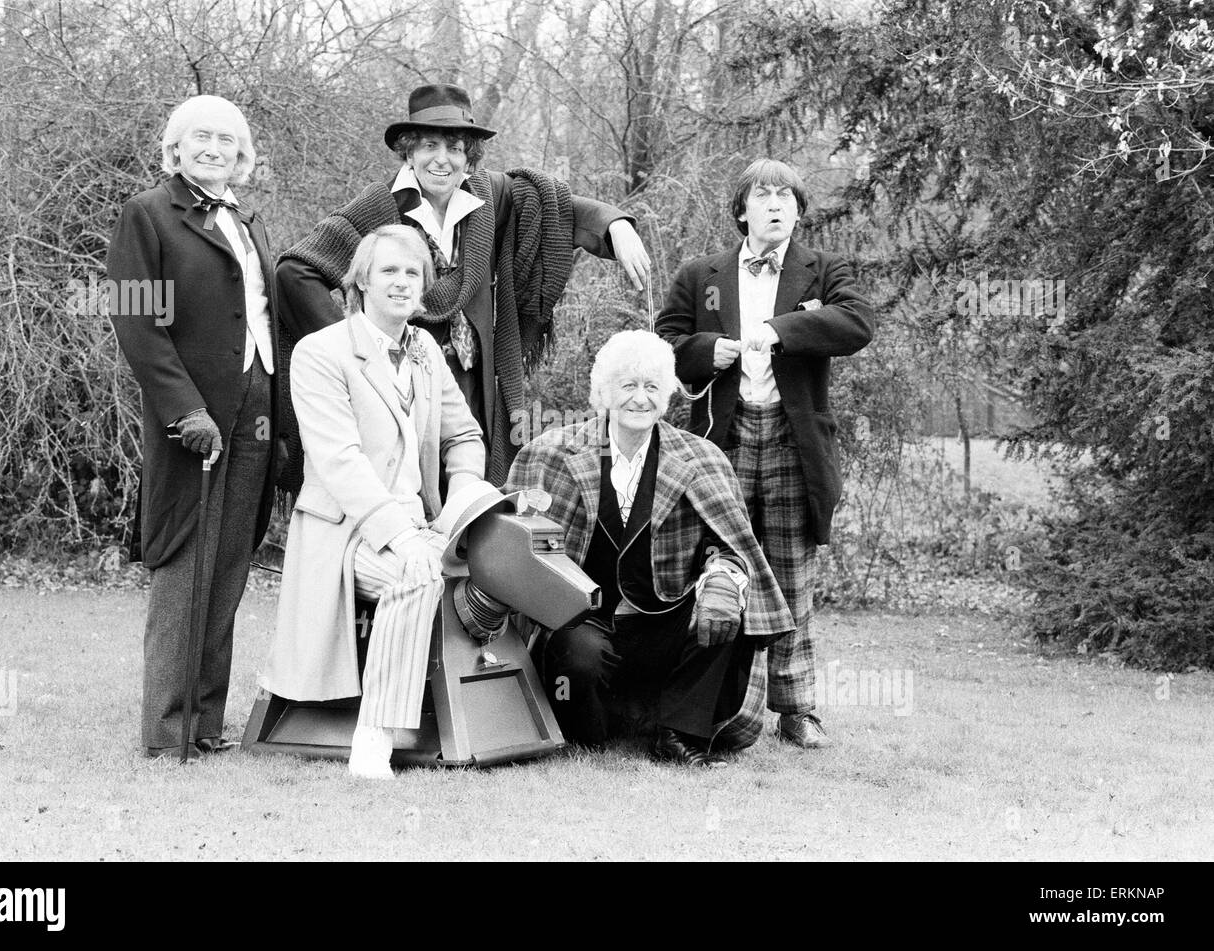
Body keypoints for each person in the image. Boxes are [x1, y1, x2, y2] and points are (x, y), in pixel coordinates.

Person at [276, 82, 651, 485]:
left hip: (473, 384)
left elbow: (556, 208)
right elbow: (295, 273)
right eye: (430, 146)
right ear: (409, 151)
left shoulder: (489, 197)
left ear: (468, 156)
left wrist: (615, 224)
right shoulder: (380, 207)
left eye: (454, 148)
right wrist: (355, 351)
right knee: (404, 489)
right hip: (401, 384)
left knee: (469, 487)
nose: (443, 160)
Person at [655, 158, 874, 749]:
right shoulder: (700, 272)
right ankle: (716, 709)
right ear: (742, 209)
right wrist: (707, 350)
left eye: (788, 197)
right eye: (765, 195)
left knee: (790, 573)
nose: (778, 205)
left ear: (799, 211)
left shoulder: (824, 269)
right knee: (718, 571)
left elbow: (857, 323)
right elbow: (665, 342)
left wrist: (780, 331)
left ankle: (797, 709)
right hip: (718, 445)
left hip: (791, 441)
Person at [502, 331, 795, 766]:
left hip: (665, 623)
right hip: (585, 622)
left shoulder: (703, 457)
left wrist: (723, 579)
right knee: (579, 663)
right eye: (628, 386)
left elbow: (731, 547)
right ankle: (600, 723)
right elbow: (511, 545)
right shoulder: (548, 454)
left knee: (728, 608)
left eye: (652, 387)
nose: (640, 399)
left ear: (668, 396)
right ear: (603, 393)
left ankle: (680, 733)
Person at [259, 225, 486, 780]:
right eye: (389, 271)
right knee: (416, 576)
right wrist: (405, 538)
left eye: (413, 273)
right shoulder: (320, 352)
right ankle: (374, 739)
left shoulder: (427, 349)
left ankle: (489, 728)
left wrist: (461, 505)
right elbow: (340, 462)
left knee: (502, 566)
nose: (402, 283)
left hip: (423, 520)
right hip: (346, 531)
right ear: (359, 281)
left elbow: (465, 438)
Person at [107, 95, 280, 759]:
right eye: (199, 137)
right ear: (175, 148)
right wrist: (185, 409)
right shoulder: (147, 215)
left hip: (258, 408)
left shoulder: (250, 217)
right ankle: (166, 730)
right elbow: (135, 322)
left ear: (241, 153)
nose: (214, 147)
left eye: (226, 139)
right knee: (185, 562)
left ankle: (207, 723)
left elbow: (264, 316)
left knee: (230, 563)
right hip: (195, 418)